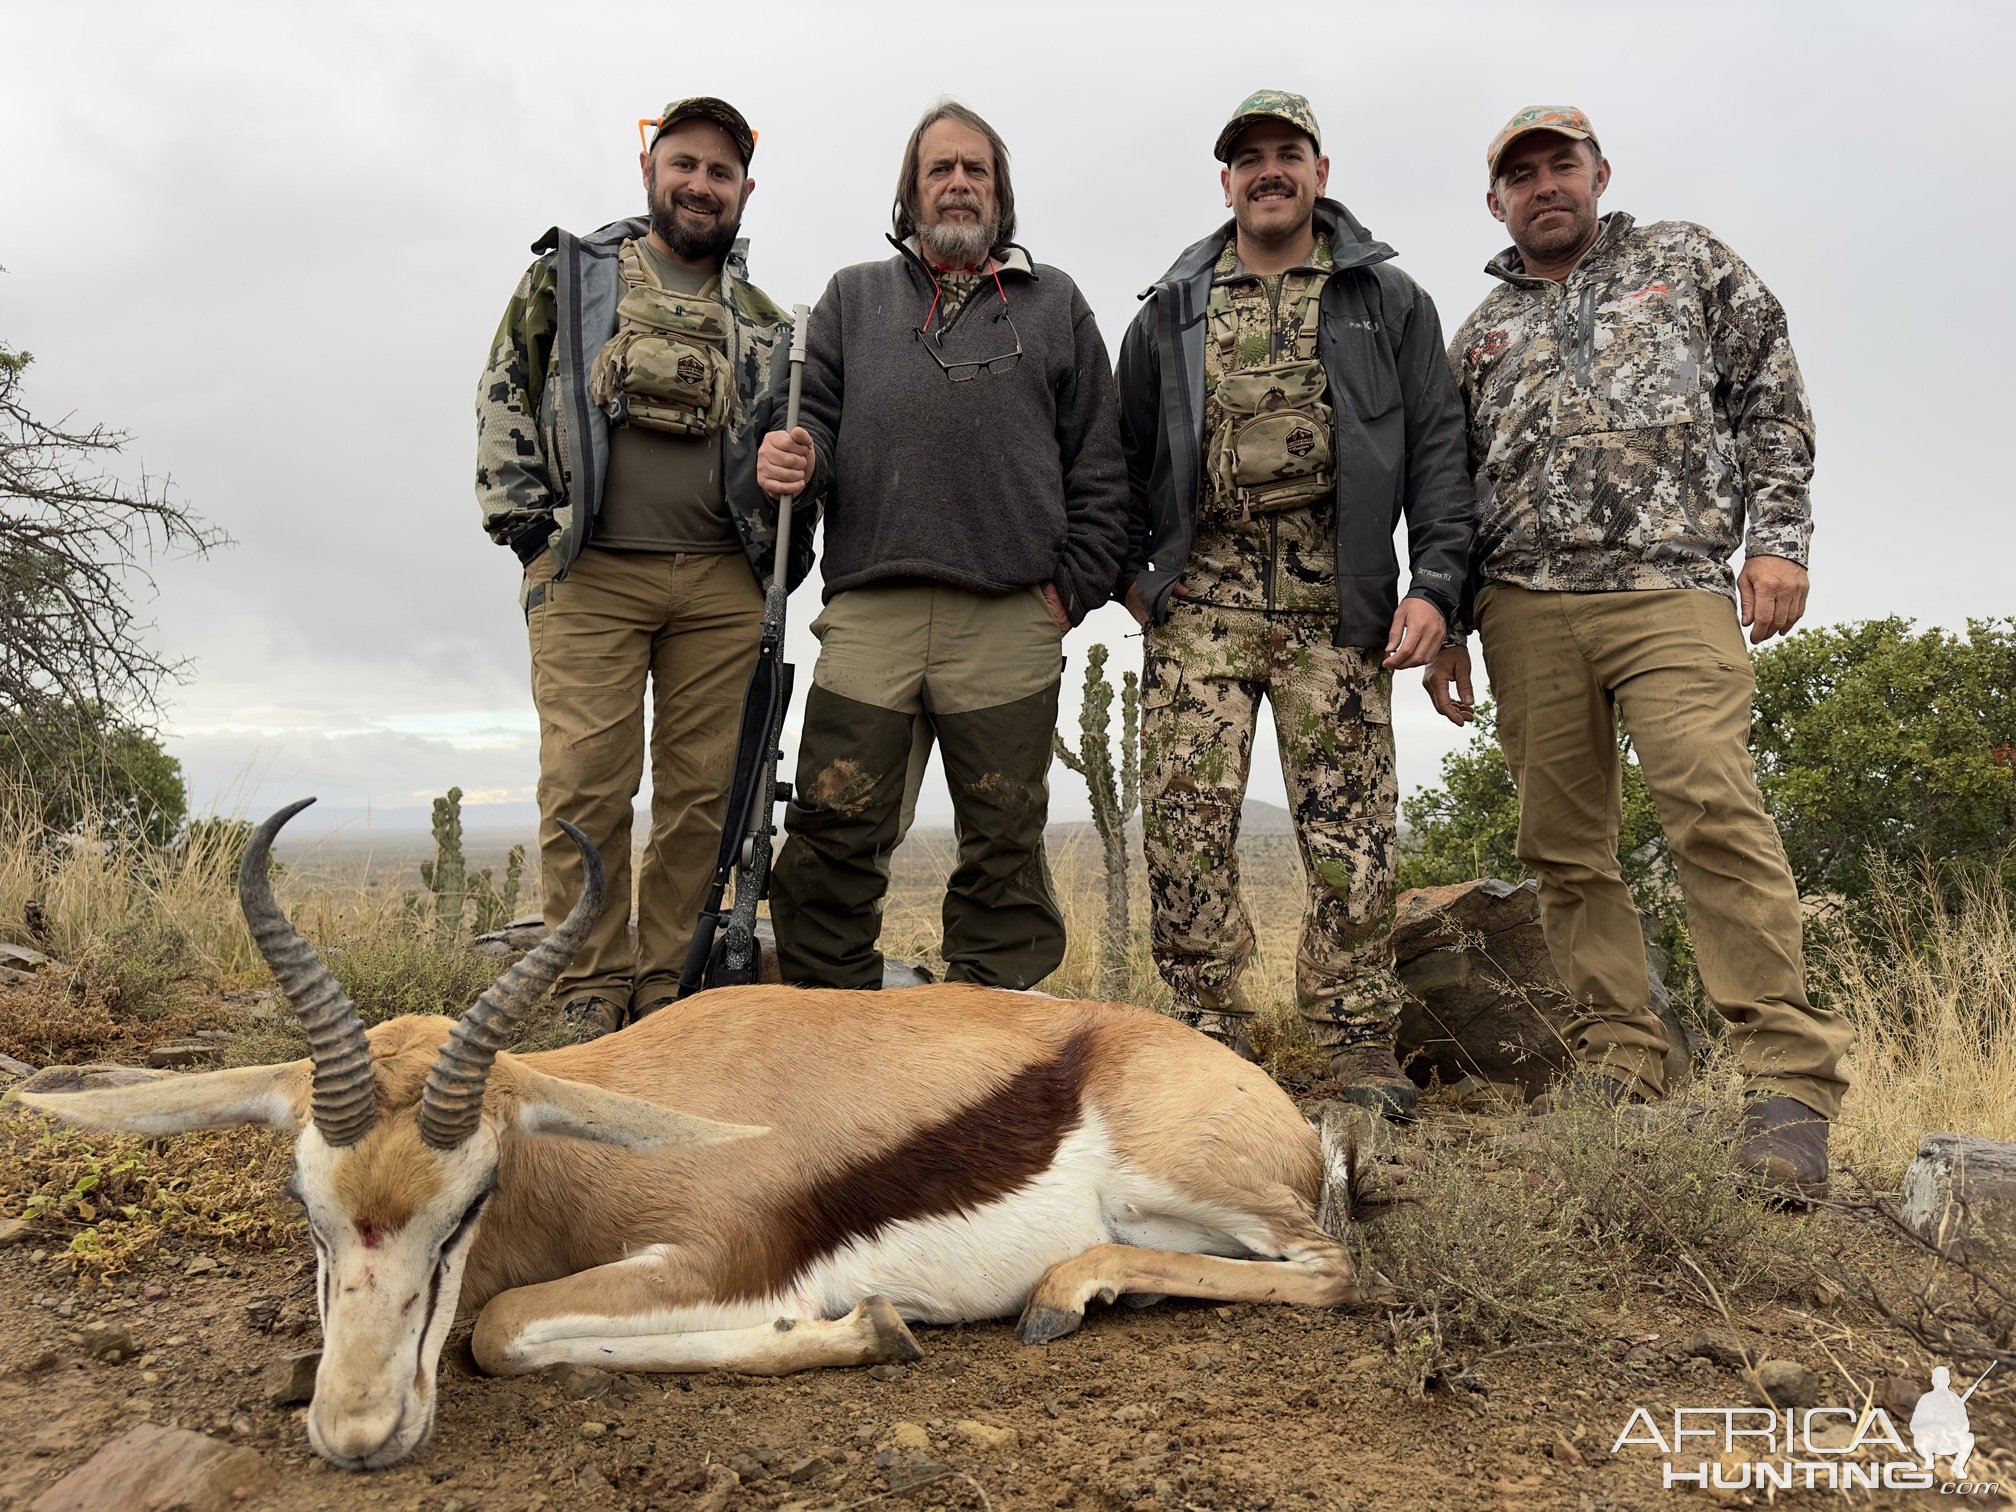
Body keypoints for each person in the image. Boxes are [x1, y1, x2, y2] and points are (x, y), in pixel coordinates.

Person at [1432, 105, 1852, 1195]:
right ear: (1496, 202)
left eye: (1559, 165)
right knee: (1564, 850)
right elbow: (1448, 485)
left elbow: (1770, 396)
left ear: (1599, 171)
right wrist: (1451, 615)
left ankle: (1787, 1089)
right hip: (1522, 605)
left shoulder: (1688, 261)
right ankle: (1625, 1068)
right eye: (1520, 176)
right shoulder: (1476, 332)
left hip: (1670, 586)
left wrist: (1782, 543)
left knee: (1712, 806)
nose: (1543, 186)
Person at [1115, 90, 1473, 1117]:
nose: (1268, 172)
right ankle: (1204, 1036)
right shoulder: (1170, 310)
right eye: (1249, 159)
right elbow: (1122, 455)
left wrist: (1437, 585)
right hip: (1202, 609)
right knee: (1185, 830)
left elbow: (1439, 454)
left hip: (1339, 605)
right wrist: (1137, 580)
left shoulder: (1385, 301)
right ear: (1224, 180)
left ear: (1321, 171)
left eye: (1288, 155)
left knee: (1354, 837)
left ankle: (1357, 1044)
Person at [757, 100, 1129, 992]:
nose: (958, 184)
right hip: (872, 608)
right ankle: (822, 1015)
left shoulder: (1057, 304)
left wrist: (1070, 590)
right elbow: (806, 425)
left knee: (1003, 837)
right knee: (836, 821)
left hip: (1009, 616)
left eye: (976, 171)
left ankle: (987, 1027)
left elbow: (1101, 464)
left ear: (1000, 195)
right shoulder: (852, 298)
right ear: (909, 192)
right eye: (940, 170)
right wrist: (795, 453)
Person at [474, 97, 807, 1035]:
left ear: (745, 190)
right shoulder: (570, 282)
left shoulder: (768, 321)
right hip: (590, 576)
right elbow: (503, 396)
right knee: (585, 783)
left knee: (704, 792)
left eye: (721, 172)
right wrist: (532, 538)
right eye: (685, 165)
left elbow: (793, 455)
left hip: (720, 586)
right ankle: (589, 984)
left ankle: (667, 983)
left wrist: (787, 552)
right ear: (651, 173)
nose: (701, 184)